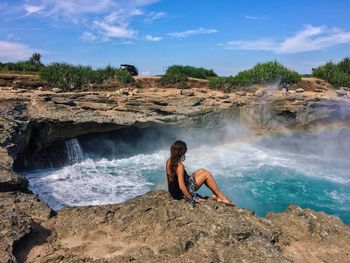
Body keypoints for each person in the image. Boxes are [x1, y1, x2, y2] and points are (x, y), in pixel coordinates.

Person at [166, 140, 235, 205]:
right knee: (206, 174)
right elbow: (182, 187)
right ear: (181, 152)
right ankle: (221, 197)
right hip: (180, 193)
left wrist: (171, 193)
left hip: (174, 191)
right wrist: (192, 198)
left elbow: (169, 180)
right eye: (185, 149)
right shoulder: (180, 166)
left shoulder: (168, 161)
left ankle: (215, 194)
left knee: (202, 170)